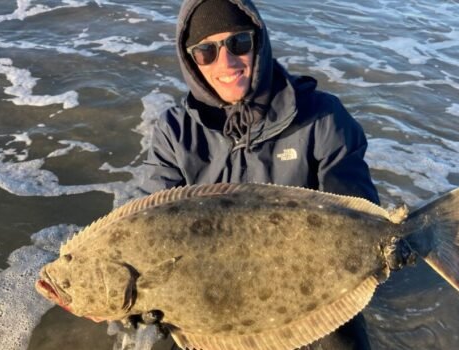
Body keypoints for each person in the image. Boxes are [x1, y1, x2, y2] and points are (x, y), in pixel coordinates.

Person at [139, 0, 379, 348]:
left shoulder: (323, 117)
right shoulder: (174, 130)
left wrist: (382, 242)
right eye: (206, 51)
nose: (227, 62)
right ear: (191, 60)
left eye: (239, 43)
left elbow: (356, 211)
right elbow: (146, 221)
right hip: (207, 284)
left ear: (259, 41)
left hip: (307, 281)